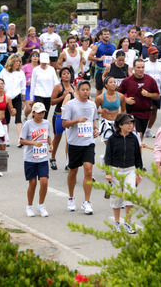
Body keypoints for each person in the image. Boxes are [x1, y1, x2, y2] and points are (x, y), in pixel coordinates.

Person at [61, 80, 99, 215]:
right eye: (82, 89)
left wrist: (95, 129)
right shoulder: (71, 105)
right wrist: (77, 120)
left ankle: (87, 202)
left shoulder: (92, 105)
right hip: (74, 143)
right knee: (73, 171)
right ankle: (71, 198)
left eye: (87, 89)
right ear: (77, 91)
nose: (85, 92)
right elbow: (64, 123)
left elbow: (93, 120)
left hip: (88, 142)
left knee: (88, 171)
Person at [104, 113, 143, 233]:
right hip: (116, 170)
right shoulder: (112, 139)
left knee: (130, 196)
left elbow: (138, 156)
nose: (130, 125)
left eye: (131, 123)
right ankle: (117, 222)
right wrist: (108, 173)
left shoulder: (134, 138)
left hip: (130, 170)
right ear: (120, 125)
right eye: (127, 123)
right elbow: (108, 157)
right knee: (116, 198)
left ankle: (128, 222)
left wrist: (138, 172)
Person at [20, 101, 52, 218]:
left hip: (43, 157)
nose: (41, 114)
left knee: (44, 181)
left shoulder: (46, 123)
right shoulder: (28, 124)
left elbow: (48, 136)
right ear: (33, 113)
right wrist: (33, 143)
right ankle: (29, 206)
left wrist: (51, 145)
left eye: (43, 112)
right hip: (30, 158)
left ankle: (41, 205)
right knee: (32, 183)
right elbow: (21, 140)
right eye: (38, 113)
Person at [117, 59, 160, 141]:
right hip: (132, 112)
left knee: (140, 137)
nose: (141, 69)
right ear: (133, 68)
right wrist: (126, 99)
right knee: (137, 135)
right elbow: (118, 94)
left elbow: (157, 96)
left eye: (142, 67)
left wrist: (148, 94)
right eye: (138, 67)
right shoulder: (127, 81)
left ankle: (137, 152)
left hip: (145, 113)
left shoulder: (150, 80)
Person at [49, 67, 75, 171]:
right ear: (61, 76)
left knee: (69, 140)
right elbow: (52, 102)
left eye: (68, 73)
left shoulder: (73, 87)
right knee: (57, 138)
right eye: (64, 73)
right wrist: (63, 96)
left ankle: (67, 162)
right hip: (59, 115)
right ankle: (53, 158)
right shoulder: (58, 87)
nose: (66, 75)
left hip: (69, 117)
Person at [0, 54, 27, 141]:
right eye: (16, 61)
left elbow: (23, 87)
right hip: (6, 97)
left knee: (18, 118)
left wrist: (23, 100)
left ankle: (20, 138)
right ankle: (6, 138)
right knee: (6, 118)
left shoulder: (21, 73)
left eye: (19, 61)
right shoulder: (4, 72)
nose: (18, 63)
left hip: (17, 96)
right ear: (12, 62)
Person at [95, 75, 127, 149]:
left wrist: (124, 119)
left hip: (117, 122)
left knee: (118, 145)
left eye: (114, 82)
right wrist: (101, 111)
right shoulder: (100, 98)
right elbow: (93, 111)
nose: (113, 84)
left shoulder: (121, 96)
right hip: (105, 122)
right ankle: (108, 158)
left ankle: (106, 158)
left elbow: (123, 109)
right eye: (111, 82)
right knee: (110, 145)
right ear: (106, 85)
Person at [88, 27, 117, 93]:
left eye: (108, 34)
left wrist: (114, 61)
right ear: (101, 36)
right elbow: (89, 57)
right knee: (99, 90)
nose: (107, 36)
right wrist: (99, 59)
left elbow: (116, 57)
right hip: (100, 70)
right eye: (105, 34)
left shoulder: (113, 45)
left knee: (112, 90)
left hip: (110, 70)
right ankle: (97, 103)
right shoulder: (97, 45)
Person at [31, 52, 58, 118]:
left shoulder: (51, 69)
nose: (44, 64)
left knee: (45, 114)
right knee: (39, 112)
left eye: (45, 62)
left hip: (48, 95)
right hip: (39, 94)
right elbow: (33, 84)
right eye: (42, 62)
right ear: (39, 60)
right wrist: (31, 98)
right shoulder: (35, 70)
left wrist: (56, 95)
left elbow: (56, 83)